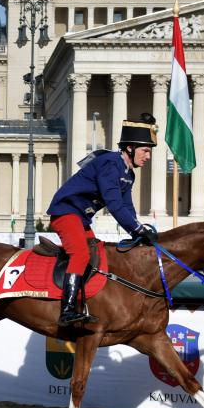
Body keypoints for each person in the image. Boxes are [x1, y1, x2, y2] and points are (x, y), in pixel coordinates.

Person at [46, 113, 159, 327]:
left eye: (149, 151)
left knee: (95, 251)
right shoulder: (110, 163)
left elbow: (127, 207)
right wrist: (137, 229)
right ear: (130, 148)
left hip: (80, 217)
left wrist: (138, 232)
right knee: (80, 253)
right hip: (66, 212)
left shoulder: (128, 173)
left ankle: (83, 301)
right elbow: (114, 203)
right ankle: (67, 310)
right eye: (145, 151)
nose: (148, 156)